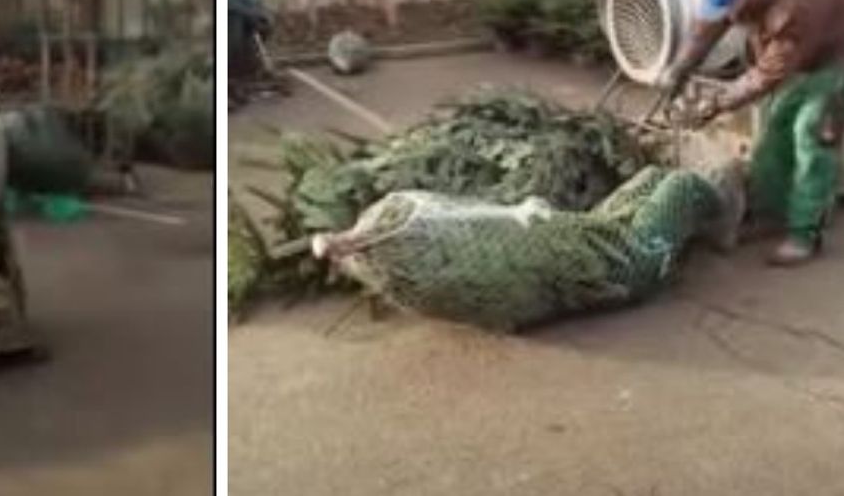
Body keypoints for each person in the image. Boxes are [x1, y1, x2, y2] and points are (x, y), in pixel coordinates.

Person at [311, 162, 746, 331]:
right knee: (684, 183)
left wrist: (342, 243)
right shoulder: (482, 264)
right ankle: (726, 218)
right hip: (632, 262)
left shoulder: (457, 274)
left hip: (599, 230)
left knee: (651, 176)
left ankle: (693, 224)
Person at [657, 0, 844, 266]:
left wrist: (716, 104)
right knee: (774, 133)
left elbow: (766, 73)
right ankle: (770, 214)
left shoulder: (797, 6)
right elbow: (710, 24)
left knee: (810, 133)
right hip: (802, 56)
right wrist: (680, 68)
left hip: (834, 58)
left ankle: (806, 234)